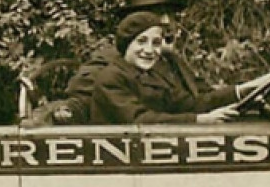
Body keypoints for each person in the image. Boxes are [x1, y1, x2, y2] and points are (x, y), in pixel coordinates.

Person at [58, 0, 270, 123]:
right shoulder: (110, 66)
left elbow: (197, 100)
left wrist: (243, 90)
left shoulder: (170, 60)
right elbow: (82, 105)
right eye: (157, 14)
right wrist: (198, 120)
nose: (166, 22)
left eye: (170, 14)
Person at [90, 11, 248, 124]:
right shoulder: (111, 78)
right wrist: (199, 120)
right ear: (126, 43)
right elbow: (139, 119)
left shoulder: (154, 76)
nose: (149, 50)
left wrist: (241, 90)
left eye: (156, 43)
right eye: (141, 41)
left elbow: (190, 103)